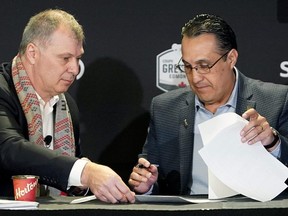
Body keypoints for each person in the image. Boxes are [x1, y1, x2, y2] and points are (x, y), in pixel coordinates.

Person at [128, 13, 288, 195]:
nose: (195, 78)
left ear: (231, 58)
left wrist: (272, 142)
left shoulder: (276, 100)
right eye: (188, 66)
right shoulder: (164, 108)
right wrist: (145, 186)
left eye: (204, 65)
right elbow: (150, 175)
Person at [0, 9, 135, 203]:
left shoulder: (66, 106)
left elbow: (66, 177)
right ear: (32, 53)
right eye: (65, 58)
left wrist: (82, 185)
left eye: (78, 58)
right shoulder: (2, 89)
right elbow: (8, 147)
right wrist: (85, 172)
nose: (75, 69)